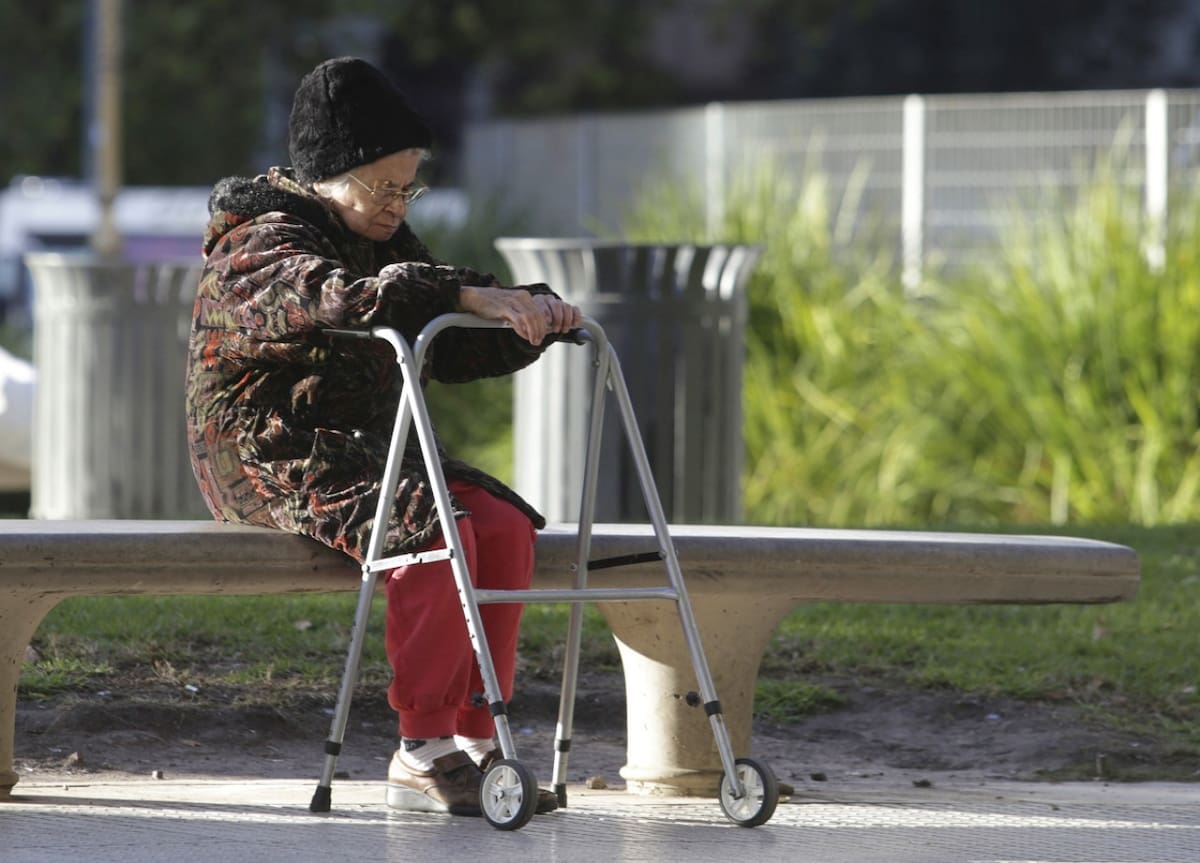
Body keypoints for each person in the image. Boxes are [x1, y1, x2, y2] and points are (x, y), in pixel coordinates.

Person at [184, 56, 581, 817]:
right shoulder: (260, 241)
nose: (399, 203)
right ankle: (422, 744)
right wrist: (463, 291)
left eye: (410, 187)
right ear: (333, 174)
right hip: (268, 453)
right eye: (385, 186)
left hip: (363, 453)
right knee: (434, 532)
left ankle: (477, 731)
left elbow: (447, 338)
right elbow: (335, 299)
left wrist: (529, 317)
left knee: (502, 527)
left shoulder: (377, 233)